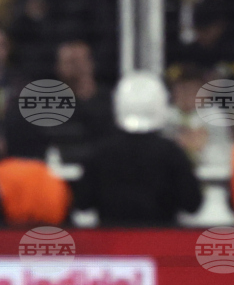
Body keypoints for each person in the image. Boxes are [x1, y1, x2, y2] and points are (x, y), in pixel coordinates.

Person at [73, 72, 202, 226]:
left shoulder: (100, 153)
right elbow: (192, 204)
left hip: (112, 238)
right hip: (160, 238)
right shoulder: (171, 153)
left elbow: (83, 202)